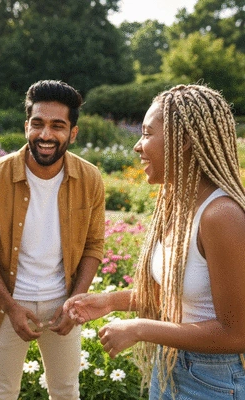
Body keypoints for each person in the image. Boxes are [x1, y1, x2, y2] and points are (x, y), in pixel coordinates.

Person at [64, 84, 245, 399]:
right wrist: (112, 301)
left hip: (214, 380)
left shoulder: (221, 216)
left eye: (147, 133)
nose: (137, 146)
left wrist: (140, 329)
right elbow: (182, 298)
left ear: (184, 141)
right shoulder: (176, 203)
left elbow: (236, 334)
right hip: (172, 365)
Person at [0, 80, 105, 400]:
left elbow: (94, 245)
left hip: (63, 302)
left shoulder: (90, 178)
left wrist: (75, 303)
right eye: (38, 124)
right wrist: (10, 306)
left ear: (73, 133)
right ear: (26, 125)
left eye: (58, 126)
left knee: (67, 391)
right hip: (7, 304)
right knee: (2, 392)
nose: (45, 135)